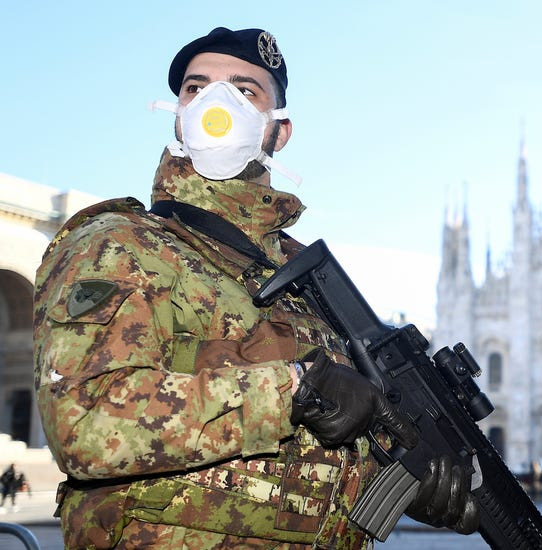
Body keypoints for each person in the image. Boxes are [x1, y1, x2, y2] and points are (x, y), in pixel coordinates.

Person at [33, 27, 478, 548]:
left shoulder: (304, 273)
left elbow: (328, 435)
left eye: (244, 91)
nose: (215, 106)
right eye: (196, 89)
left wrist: (409, 471)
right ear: (177, 114)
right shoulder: (118, 243)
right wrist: (293, 389)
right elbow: (84, 421)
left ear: (278, 131)